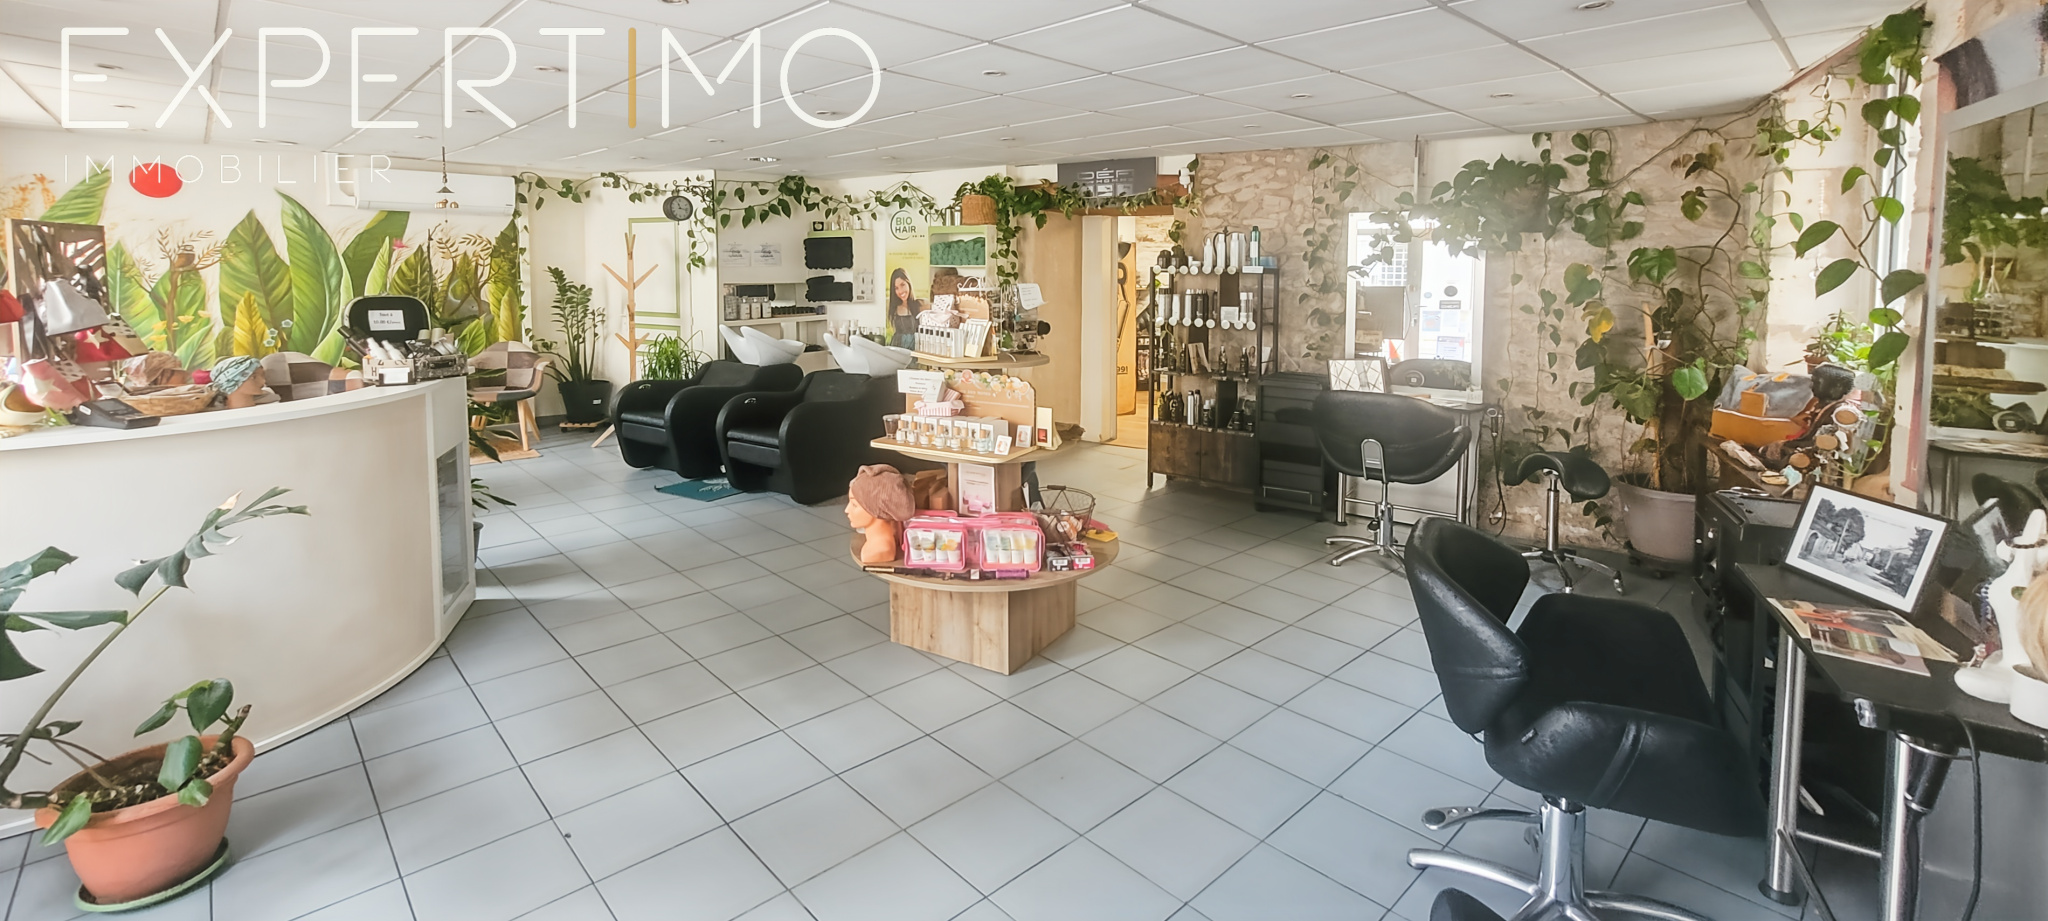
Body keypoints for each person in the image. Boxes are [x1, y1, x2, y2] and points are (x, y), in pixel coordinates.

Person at [887, 268, 924, 349]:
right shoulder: (893, 307)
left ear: (908, 283)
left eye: (902, 285)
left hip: (916, 350)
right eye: (896, 288)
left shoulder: (920, 305)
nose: (900, 291)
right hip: (898, 350)